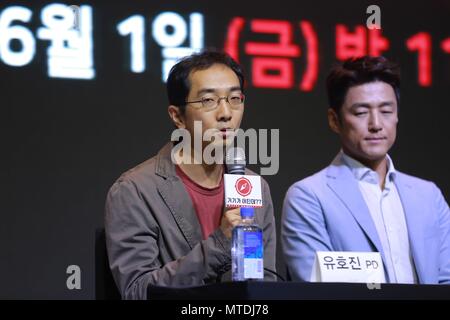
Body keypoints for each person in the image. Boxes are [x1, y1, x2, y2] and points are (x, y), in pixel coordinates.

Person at [105, 50, 277, 299]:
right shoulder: (135, 191)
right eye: (208, 101)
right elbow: (138, 292)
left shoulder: (254, 186)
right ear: (177, 116)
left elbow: (266, 286)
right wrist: (219, 244)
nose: (226, 113)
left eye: (234, 98)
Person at [281, 56, 450, 284]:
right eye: (361, 113)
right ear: (334, 120)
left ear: (397, 114)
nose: (376, 124)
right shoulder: (308, 196)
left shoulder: (429, 195)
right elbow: (319, 290)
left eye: (386, 111)